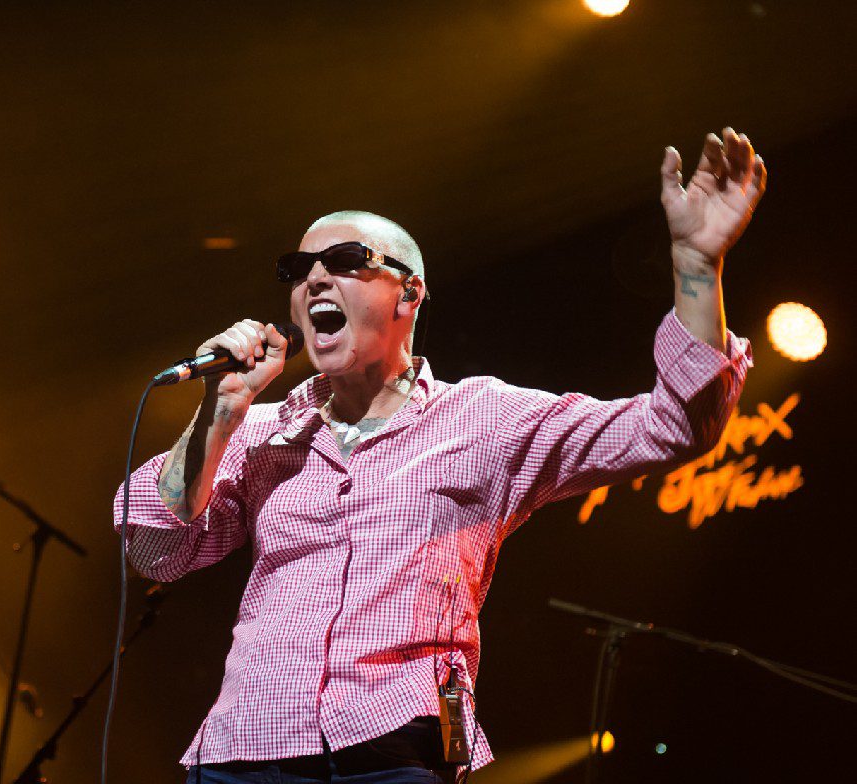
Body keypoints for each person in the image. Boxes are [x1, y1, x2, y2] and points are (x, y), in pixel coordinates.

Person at [116, 128, 765, 783]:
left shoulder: (484, 417)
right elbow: (155, 551)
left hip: (397, 750)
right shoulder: (257, 431)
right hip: (245, 751)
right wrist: (219, 413)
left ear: (409, 294)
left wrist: (694, 264)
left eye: (344, 260)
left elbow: (674, 429)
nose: (313, 277)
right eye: (297, 269)